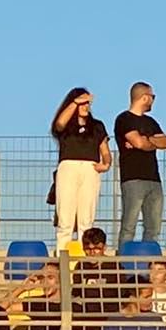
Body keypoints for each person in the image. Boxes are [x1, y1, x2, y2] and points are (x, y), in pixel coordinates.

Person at [113, 82, 166, 250]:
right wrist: (150, 141)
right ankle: (124, 262)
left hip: (154, 178)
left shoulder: (151, 121)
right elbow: (138, 143)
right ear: (144, 97)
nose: (153, 100)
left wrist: (147, 140)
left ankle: (149, 260)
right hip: (133, 178)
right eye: (152, 97)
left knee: (153, 227)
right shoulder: (124, 119)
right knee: (129, 225)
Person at [50, 87, 110, 247]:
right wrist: (75, 102)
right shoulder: (65, 125)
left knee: (86, 217)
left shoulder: (97, 125)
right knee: (65, 217)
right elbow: (59, 124)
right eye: (82, 103)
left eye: (87, 103)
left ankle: (85, 257)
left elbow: (104, 148)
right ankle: (63, 254)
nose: (85, 106)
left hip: (90, 168)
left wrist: (106, 163)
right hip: (68, 167)